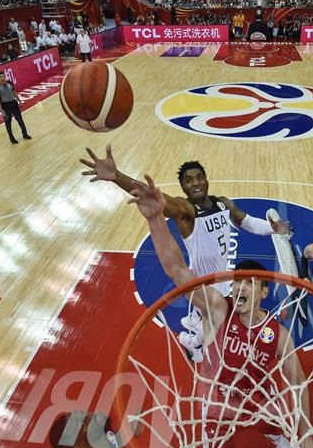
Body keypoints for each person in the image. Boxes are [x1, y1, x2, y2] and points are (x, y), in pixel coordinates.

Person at [127, 174, 313, 448]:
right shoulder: (218, 309)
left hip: (258, 399)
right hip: (218, 404)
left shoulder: (278, 335)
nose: (241, 287)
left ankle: (275, 432)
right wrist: (155, 220)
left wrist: (306, 433)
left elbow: (298, 382)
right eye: (238, 282)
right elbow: (177, 269)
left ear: (264, 293)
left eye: (250, 283)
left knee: (273, 420)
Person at [79, 148, 289, 359]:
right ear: (183, 187)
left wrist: (272, 228)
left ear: (206, 180)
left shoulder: (223, 203)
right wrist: (117, 176)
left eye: (199, 177)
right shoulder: (185, 210)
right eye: (188, 181)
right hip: (200, 283)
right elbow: (158, 198)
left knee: (219, 323)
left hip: (223, 279)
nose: (195, 183)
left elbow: (246, 221)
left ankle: (193, 328)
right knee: (216, 327)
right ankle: (190, 341)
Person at [0, 71, 31, 144]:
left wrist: (19, 101)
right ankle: (12, 138)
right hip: (5, 106)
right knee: (8, 123)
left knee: (20, 120)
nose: (2, 78)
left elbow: (14, 92)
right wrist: (1, 110)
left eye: (3, 76)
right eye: (0, 77)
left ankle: (25, 134)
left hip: (14, 104)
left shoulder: (9, 83)